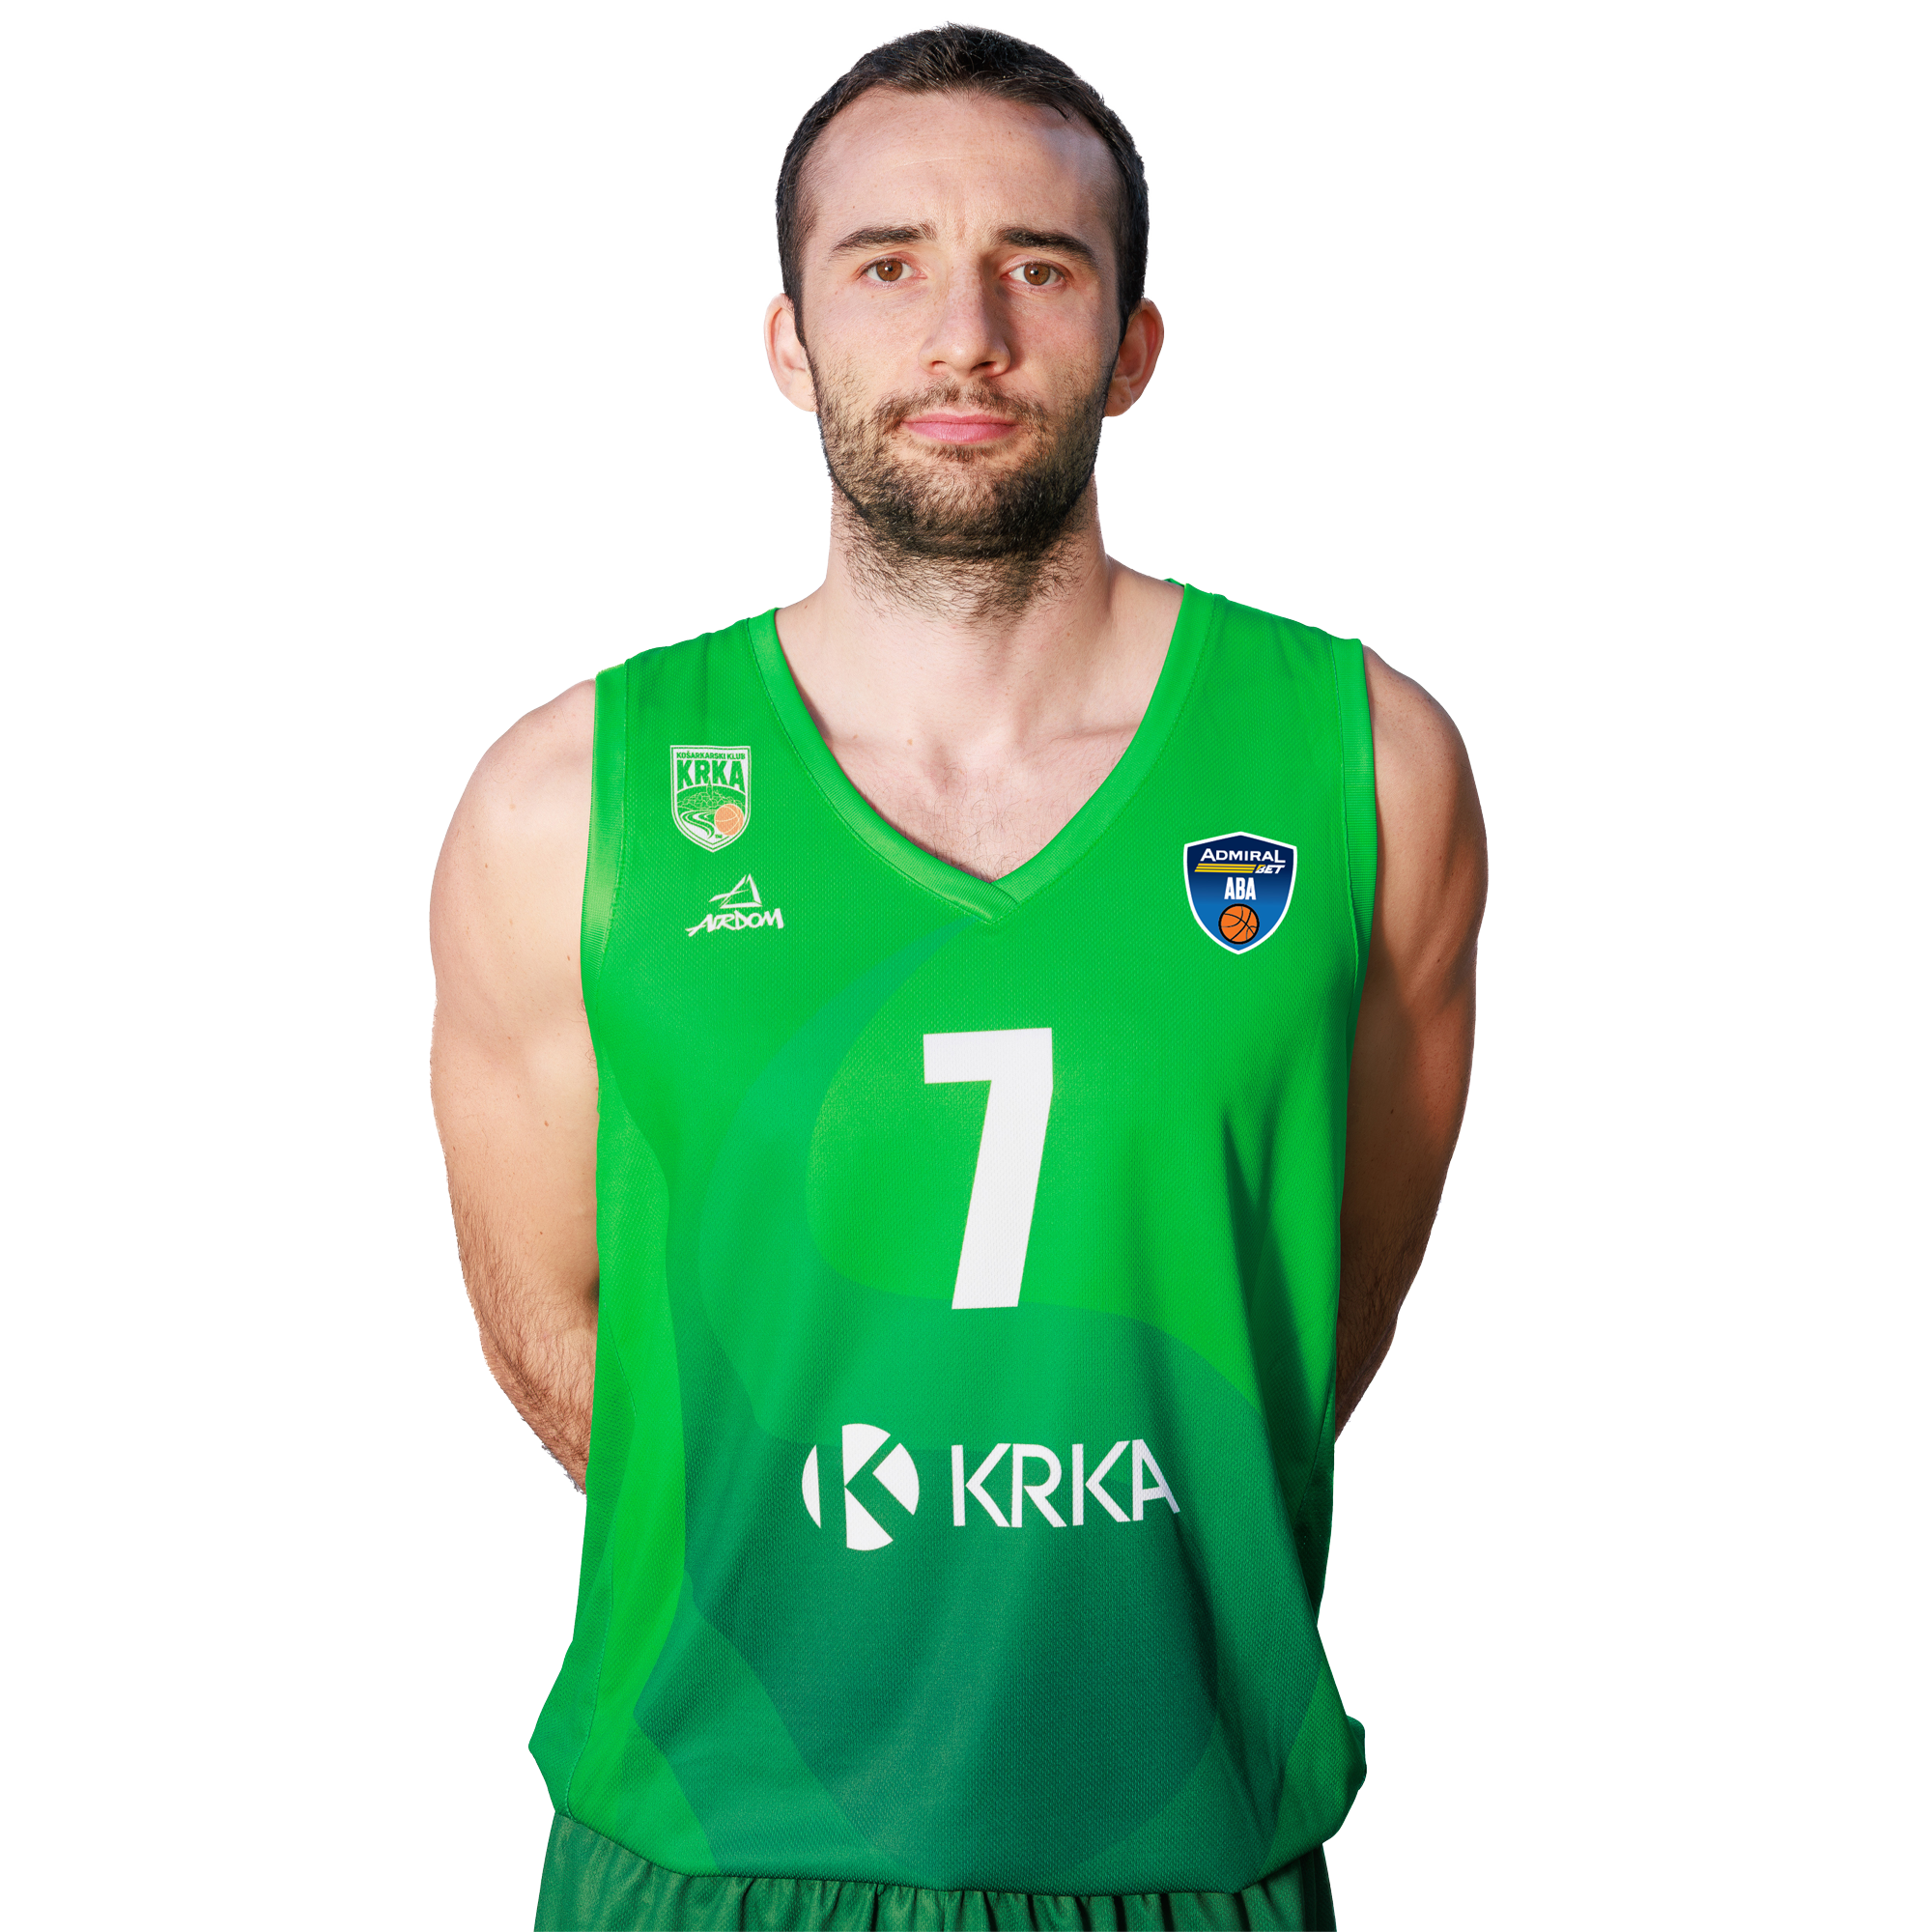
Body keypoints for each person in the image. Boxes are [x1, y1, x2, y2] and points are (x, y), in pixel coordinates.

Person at [429, 23, 1486, 1931]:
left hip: (1181, 1852)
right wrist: (853, 1563)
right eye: (887, 263)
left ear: (1133, 346)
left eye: (1039, 268)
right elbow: (550, 1325)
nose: (965, 335)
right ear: (789, 339)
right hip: (716, 1852)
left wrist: (1079, 1533)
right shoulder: (569, 802)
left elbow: (1313, 1311)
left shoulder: (1366, 769)